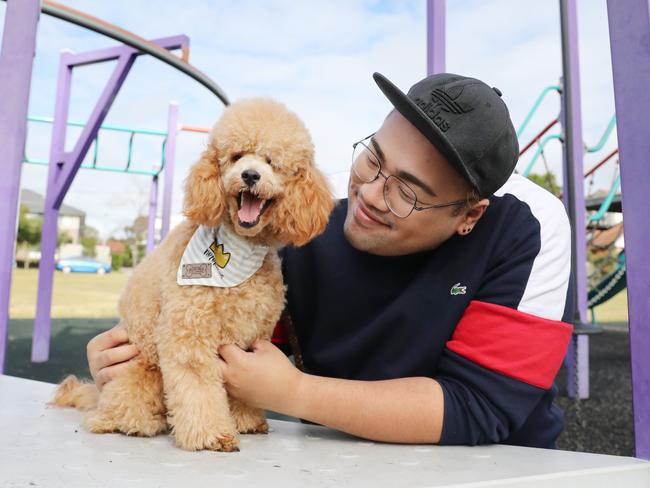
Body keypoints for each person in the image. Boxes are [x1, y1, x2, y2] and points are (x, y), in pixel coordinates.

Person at [87, 72, 573, 448]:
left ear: (469, 215)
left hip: (498, 467)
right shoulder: (297, 212)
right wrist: (129, 358)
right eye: (374, 158)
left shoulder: (533, 226)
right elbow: (220, 345)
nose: (371, 195)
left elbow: (480, 404)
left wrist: (293, 393)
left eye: (407, 191)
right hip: (335, 460)